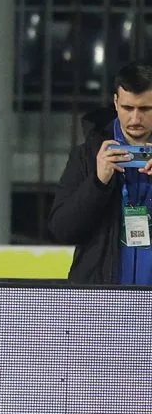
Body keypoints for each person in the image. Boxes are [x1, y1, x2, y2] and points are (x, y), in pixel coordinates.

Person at [49, 60, 152, 284]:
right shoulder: (87, 155)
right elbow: (62, 230)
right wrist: (97, 183)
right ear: (115, 103)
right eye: (127, 108)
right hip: (101, 303)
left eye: (144, 109)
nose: (135, 119)